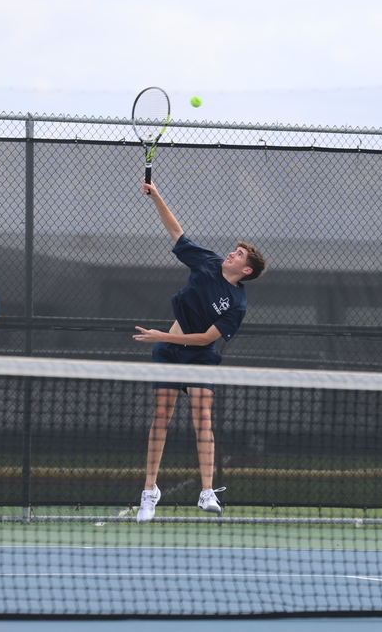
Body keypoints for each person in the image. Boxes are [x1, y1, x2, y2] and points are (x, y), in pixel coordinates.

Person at [132, 180, 266, 524]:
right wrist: (156, 196)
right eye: (234, 250)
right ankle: (149, 492)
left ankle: (207, 492)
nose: (231, 253)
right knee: (161, 416)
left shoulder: (237, 304)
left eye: (239, 255)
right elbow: (176, 232)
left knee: (202, 417)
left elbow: (207, 338)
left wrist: (161, 334)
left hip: (200, 355)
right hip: (169, 352)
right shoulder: (207, 261)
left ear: (246, 270)